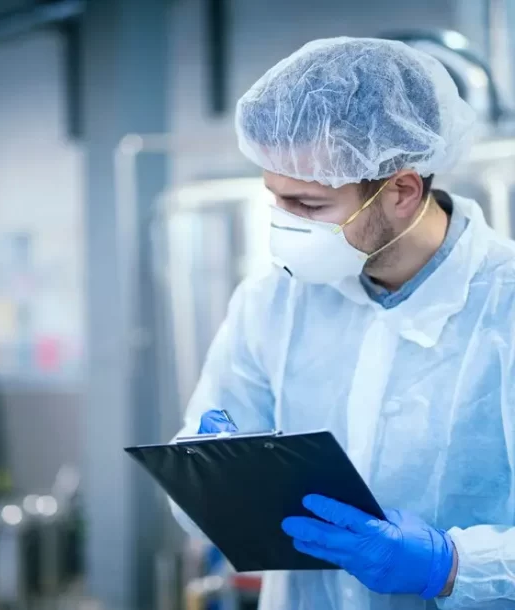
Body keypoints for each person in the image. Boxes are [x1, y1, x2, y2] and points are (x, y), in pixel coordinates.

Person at [171, 36, 515, 610]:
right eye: (275, 199)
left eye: (308, 207)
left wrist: (450, 566)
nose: (284, 226)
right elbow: (195, 501)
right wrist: (207, 474)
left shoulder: (505, 304)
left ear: (402, 190)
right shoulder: (270, 302)